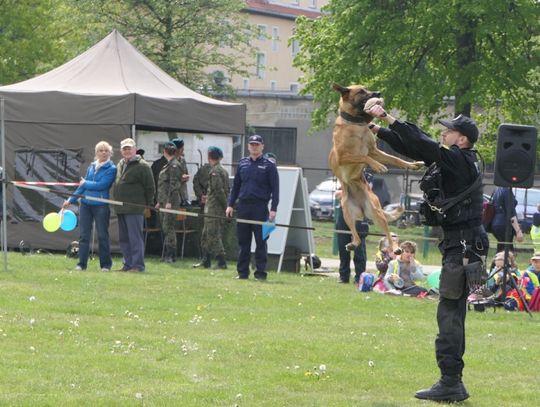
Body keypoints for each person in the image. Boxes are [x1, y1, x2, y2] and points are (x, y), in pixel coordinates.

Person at [367, 106, 488, 402]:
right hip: (460, 246)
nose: (444, 133)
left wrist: (388, 118)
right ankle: (451, 380)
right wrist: (379, 132)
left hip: (461, 249)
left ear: (462, 139)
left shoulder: (459, 160)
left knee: (449, 315)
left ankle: (450, 382)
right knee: (450, 314)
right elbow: (415, 146)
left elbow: (423, 144)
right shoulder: (459, 159)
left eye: (449, 130)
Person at [226, 135, 279, 280]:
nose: (254, 147)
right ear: (248, 146)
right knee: (243, 242)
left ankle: (260, 273)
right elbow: (235, 186)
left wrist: (273, 209)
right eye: (252, 144)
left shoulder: (269, 165)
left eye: (257, 145)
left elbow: (275, 189)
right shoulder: (242, 164)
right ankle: (242, 272)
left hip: (260, 208)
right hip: (243, 207)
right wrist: (230, 205)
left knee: (261, 241)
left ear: (262, 146)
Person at [63, 141, 117, 271]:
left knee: (102, 235)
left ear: (110, 153)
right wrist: (70, 200)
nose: (103, 152)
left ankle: (105, 265)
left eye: (106, 150)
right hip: (85, 206)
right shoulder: (91, 167)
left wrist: (85, 183)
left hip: (101, 206)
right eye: (100, 150)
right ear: (96, 153)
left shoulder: (112, 169)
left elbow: (102, 185)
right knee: (83, 236)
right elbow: (81, 188)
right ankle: (81, 264)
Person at [112, 138, 155, 272]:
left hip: (135, 208)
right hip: (121, 208)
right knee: (124, 239)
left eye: (129, 148)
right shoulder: (120, 164)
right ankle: (128, 264)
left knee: (135, 238)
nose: (127, 151)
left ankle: (137, 265)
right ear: (121, 151)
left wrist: (147, 205)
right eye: (124, 149)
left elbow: (150, 187)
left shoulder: (142, 165)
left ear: (135, 149)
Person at [194, 147, 229, 269]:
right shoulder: (222, 170)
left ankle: (221, 261)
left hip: (214, 209)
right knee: (206, 235)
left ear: (209, 157)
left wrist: (225, 206)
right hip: (213, 207)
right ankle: (206, 260)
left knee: (213, 235)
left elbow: (218, 190)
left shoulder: (215, 171)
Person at [335, 188, 369, 284]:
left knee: (359, 250)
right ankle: (343, 276)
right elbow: (337, 194)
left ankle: (359, 277)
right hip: (344, 214)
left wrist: (346, 195)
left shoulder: (366, 177)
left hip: (359, 214)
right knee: (343, 248)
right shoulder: (345, 178)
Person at [155, 141, 182, 263]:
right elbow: (163, 186)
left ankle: (171, 255)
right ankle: (166, 253)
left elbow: (174, 184)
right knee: (165, 227)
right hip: (163, 201)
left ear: (164, 152)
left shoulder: (174, 165)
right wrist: (159, 202)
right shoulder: (168, 165)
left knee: (169, 227)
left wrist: (169, 201)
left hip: (169, 202)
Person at [490, 187, 524, 253]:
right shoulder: (507, 191)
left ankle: (497, 262)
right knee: (507, 252)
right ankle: (500, 262)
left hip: (495, 224)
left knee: (502, 249)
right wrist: (518, 231)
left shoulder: (498, 189)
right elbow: (511, 213)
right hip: (504, 224)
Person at [171, 138, 190, 205]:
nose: (183, 150)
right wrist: (180, 178)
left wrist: (186, 177)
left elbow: (186, 173)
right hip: (173, 195)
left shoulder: (182, 160)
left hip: (183, 195)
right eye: (181, 148)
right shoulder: (170, 161)